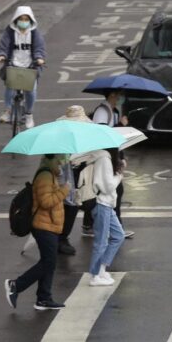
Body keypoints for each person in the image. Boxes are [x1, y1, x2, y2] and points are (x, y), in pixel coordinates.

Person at [4, 154, 68, 311]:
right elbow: (46, 202)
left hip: (49, 225)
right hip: (44, 226)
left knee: (49, 262)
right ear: (51, 160)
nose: (61, 163)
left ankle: (44, 298)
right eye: (59, 160)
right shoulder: (45, 176)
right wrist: (64, 191)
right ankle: (16, 285)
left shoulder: (49, 175)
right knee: (48, 262)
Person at [85, 89, 134, 239]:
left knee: (103, 191)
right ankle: (114, 228)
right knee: (115, 191)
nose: (121, 97)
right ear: (112, 95)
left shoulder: (113, 110)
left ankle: (90, 225)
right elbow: (102, 134)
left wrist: (120, 156)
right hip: (103, 157)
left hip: (111, 156)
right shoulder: (102, 111)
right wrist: (120, 124)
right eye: (120, 94)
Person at [0, 5, 46, 129]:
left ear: (30, 20)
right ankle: (8, 111)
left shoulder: (34, 33)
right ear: (16, 19)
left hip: (30, 66)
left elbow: (39, 48)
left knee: (31, 91)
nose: (23, 22)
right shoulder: (10, 32)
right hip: (13, 64)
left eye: (26, 19)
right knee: (10, 87)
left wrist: (39, 58)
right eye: (21, 19)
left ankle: (29, 114)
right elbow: (4, 46)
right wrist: (1, 55)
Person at [55, 105, 93, 256]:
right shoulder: (61, 139)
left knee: (73, 206)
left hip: (75, 176)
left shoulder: (80, 136)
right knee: (68, 207)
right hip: (64, 178)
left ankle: (63, 237)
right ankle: (61, 237)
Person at [87, 148, 125, 286]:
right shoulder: (104, 159)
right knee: (101, 242)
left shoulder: (104, 158)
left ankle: (101, 269)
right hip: (102, 204)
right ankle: (95, 275)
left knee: (118, 235)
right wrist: (119, 176)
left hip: (107, 204)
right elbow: (108, 187)